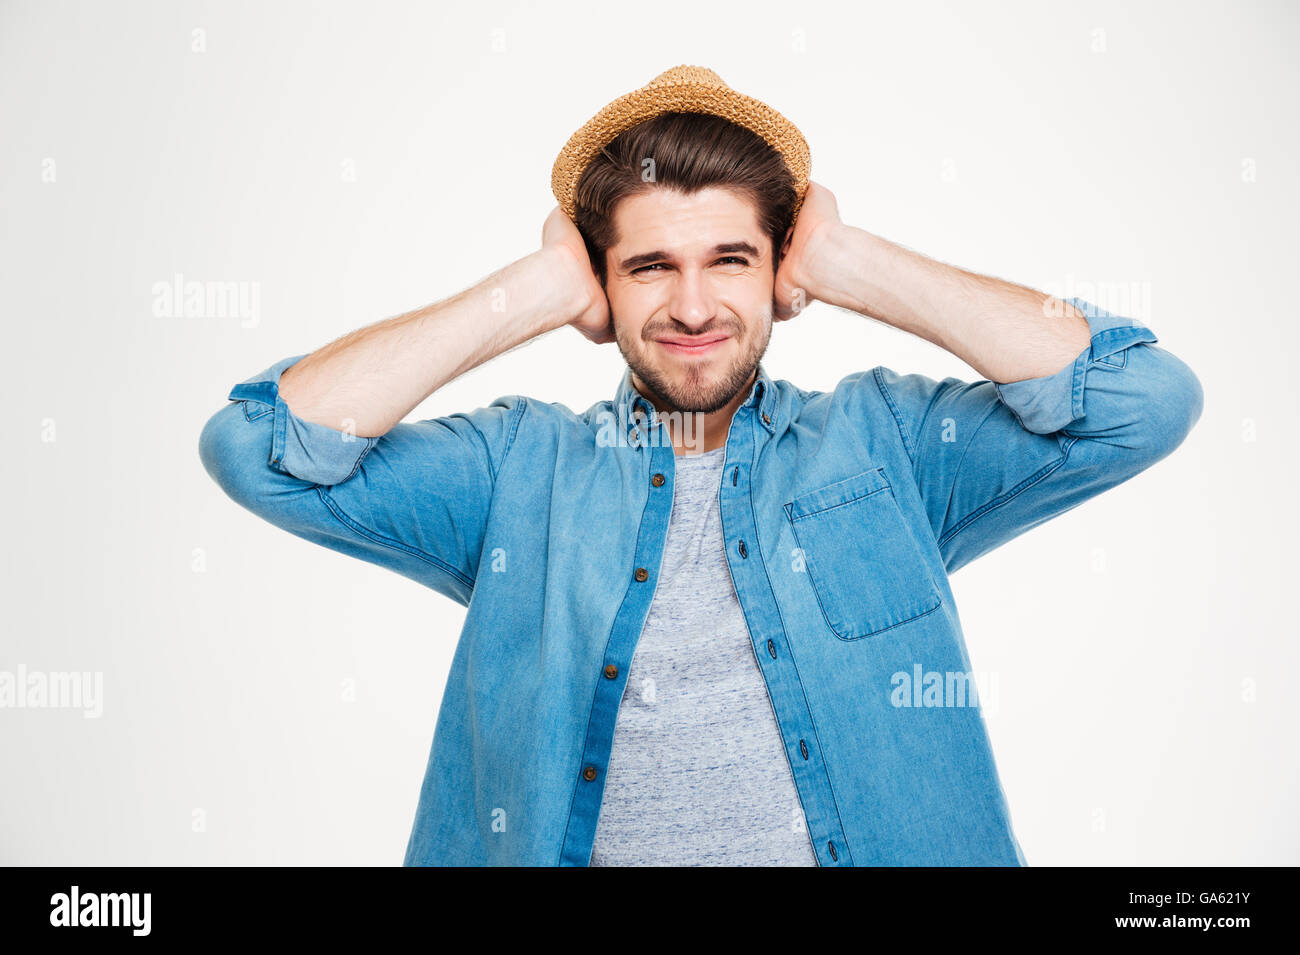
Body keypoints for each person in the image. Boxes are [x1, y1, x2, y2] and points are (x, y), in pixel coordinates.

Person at [198, 66, 1203, 866]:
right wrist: (533, 287)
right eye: (648, 266)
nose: (690, 308)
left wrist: (852, 262)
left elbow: (1140, 403)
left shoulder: (889, 443)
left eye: (729, 259)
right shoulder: (520, 470)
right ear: (600, 283)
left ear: (779, 271)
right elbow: (263, 450)